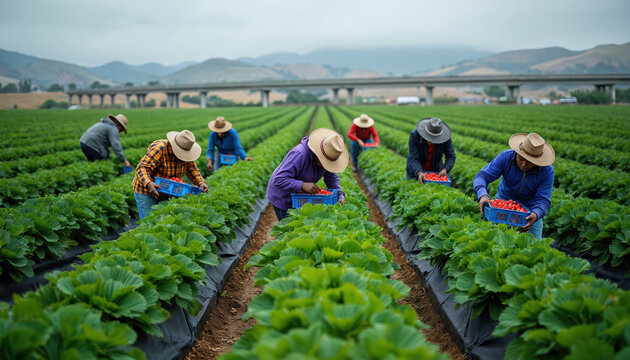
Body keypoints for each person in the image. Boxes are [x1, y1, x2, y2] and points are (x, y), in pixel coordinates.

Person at [473, 133, 555, 240]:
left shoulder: (547, 171)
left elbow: (543, 199)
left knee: (533, 248)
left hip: (529, 211)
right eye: (521, 158)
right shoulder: (506, 157)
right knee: (497, 242)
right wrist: (482, 195)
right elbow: (482, 176)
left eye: (530, 163)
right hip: (502, 207)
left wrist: (535, 214)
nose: (524, 164)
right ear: (517, 152)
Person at [267, 128, 349, 221]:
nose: (326, 165)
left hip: (300, 198)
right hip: (283, 196)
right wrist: (302, 185)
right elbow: (279, 179)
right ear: (317, 154)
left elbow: (332, 178)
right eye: (325, 161)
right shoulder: (300, 154)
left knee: (301, 226)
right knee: (289, 230)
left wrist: (339, 194)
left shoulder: (328, 155)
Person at [132, 130, 209, 220]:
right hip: (146, 190)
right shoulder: (159, 150)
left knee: (162, 221)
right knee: (149, 221)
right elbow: (142, 167)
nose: (182, 156)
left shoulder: (186, 153)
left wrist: (200, 182)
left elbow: (192, 169)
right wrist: (148, 183)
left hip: (167, 190)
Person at [406, 118, 456, 183]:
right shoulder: (415, 136)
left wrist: (445, 169)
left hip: (435, 170)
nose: (431, 141)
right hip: (415, 169)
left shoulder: (445, 138)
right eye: (429, 137)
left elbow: (451, 156)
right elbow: (413, 158)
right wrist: (419, 172)